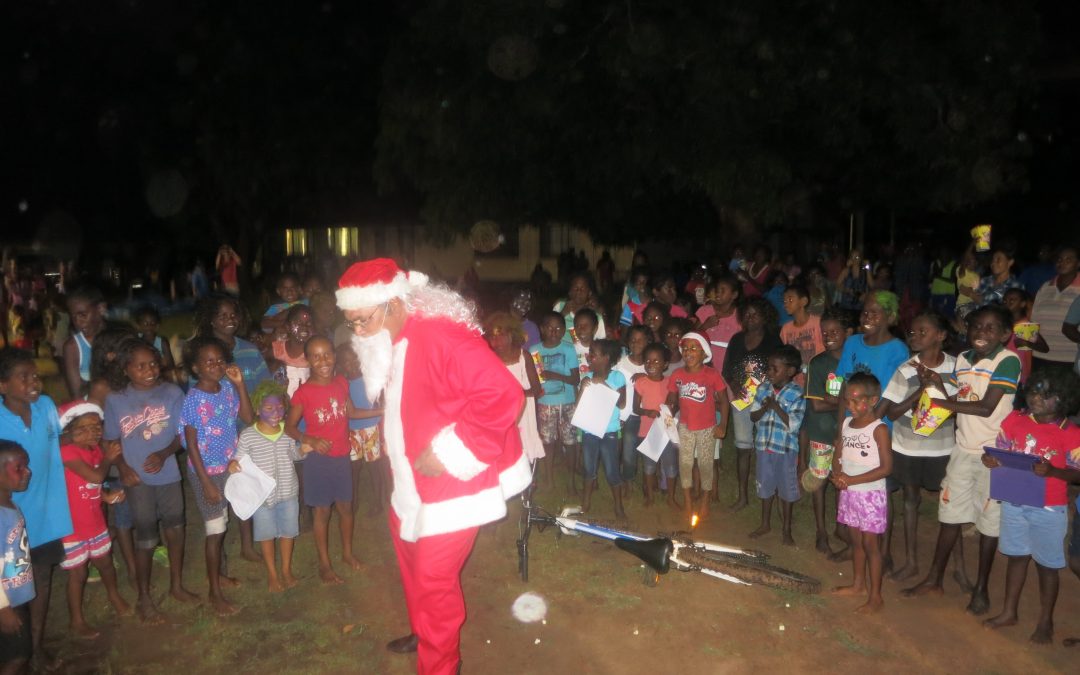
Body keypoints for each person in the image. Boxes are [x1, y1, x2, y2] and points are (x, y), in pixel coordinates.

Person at [337, 258, 530, 674]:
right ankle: (424, 632)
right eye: (350, 322)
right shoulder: (392, 332)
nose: (357, 332)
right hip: (412, 477)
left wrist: (448, 451)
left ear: (392, 304)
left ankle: (441, 664)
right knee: (411, 560)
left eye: (362, 320)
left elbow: (504, 395)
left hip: (453, 481)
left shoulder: (442, 336)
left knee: (433, 580)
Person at [902, 305, 1020, 614]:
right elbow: (961, 397)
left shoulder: (1008, 361)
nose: (982, 332)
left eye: (990, 328)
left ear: (1005, 334)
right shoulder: (964, 360)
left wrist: (942, 404)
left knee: (988, 524)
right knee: (949, 515)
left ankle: (981, 588)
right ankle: (934, 579)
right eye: (976, 326)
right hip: (963, 449)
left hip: (995, 455)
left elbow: (986, 407)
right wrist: (935, 383)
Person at [982, 369, 1080, 644]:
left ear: (1063, 398)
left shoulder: (1071, 434)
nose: (1036, 398)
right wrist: (992, 460)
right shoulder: (1015, 420)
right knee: (1016, 557)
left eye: (1046, 394)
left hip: (1049, 508)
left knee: (1047, 566)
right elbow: (1002, 451)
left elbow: (1077, 474)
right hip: (1014, 500)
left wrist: (1053, 471)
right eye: (1034, 391)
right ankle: (1009, 612)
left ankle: (1046, 621)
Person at [103, 337, 197, 624]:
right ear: (126, 369)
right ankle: (144, 597)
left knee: (176, 528)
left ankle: (176, 585)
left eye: (153, 364)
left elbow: (182, 435)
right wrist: (122, 468)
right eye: (140, 366)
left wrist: (165, 453)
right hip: (137, 479)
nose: (149, 370)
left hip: (168, 473)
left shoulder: (171, 393)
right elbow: (111, 440)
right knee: (146, 536)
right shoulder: (116, 399)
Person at [0, 349, 72, 670]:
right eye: (23, 377)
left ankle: (36, 646)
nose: (34, 382)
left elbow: (56, 441)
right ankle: (16, 649)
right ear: (3, 385)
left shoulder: (45, 406)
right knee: (11, 583)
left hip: (47, 512)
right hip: (10, 518)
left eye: (35, 375)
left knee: (40, 579)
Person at [285, 337, 371, 585]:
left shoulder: (341, 382)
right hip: (318, 462)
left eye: (327, 354)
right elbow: (289, 427)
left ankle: (347, 554)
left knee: (346, 509)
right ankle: (324, 564)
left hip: (342, 458)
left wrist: (382, 410)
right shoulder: (303, 393)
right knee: (322, 512)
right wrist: (309, 439)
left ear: (334, 355)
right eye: (316, 356)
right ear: (308, 360)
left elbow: (351, 412)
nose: (323, 361)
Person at [180, 336, 254, 615]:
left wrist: (240, 384)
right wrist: (206, 483)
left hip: (228, 467)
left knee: (222, 522)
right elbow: (191, 446)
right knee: (215, 531)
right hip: (206, 474)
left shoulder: (227, 389)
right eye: (208, 361)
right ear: (195, 368)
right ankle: (214, 592)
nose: (216, 365)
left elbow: (248, 418)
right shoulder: (193, 399)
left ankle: (219, 576)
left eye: (220, 360)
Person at [881, 311, 956, 582]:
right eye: (912, 332)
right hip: (908, 448)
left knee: (951, 507)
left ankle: (957, 567)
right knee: (910, 500)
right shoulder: (905, 369)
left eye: (923, 331)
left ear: (941, 335)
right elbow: (891, 413)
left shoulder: (956, 367)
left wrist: (937, 385)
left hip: (943, 449)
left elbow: (959, 410)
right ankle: (911, 561)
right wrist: (920, 391)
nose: (915, 336)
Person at [56, 401, 131, 638]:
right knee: (78, 574)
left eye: (97, 427)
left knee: (105, 563)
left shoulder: (94, 450)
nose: (93, 432)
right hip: (72, 526)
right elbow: (96, 476)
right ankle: (76, 620)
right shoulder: (67, 452)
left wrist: (106, 496)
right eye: (84, 428)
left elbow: (93, 486)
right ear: (70, 431)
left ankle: (114, 596)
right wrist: (108, 458)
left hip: (95, 520)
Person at [229, 381, 302, 593]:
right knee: (266, 535)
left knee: (288, 533)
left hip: (288, 493)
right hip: (261, 498)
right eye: (269, 408)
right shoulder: (248, 435)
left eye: (279, 407)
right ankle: (272, 574)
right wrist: (232, 464)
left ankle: (286, 570)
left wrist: (303, 450)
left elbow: (294, 455)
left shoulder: (288, 431)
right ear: (258, 410)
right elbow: (238, 458)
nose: (275, 412)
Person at [831, 372, 893, 614]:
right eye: (848, 400)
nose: (851, 406)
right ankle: (858, 585)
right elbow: (839, 453)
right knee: (856, 542)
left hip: (870, 496)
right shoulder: (847, 424)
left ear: (873, 400)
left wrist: (852, 480)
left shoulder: (879, 429)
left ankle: (876, 597)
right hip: (850, 494)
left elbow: (886, 468)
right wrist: (837, 473)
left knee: (871, 546)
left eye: (857, 401)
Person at [723, 297, 783, 511]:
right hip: (742, 400)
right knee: (742, 447)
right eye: (746, 314)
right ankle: (742, 496)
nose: (750, 318)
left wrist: (767, 388)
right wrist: (735, 386)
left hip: (766, 401)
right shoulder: (737, 340)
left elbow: (780, 370)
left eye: (755, 314)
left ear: (765, 317)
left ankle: (770, 494)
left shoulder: (773, 341)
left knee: (767, 449)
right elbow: (727, 370)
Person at [803, 308, 855, 554]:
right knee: (819, 481)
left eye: (835, 332)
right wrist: (846, 401)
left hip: (850, 433)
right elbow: (816, 405)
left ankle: (840, 526)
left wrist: (833, 399)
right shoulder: (818, 363)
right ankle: (821, 531)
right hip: (822, 432)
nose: (828, 336)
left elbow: (860, 401)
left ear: (849, 333)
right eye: (824, 333)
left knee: (842, 480)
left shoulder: (855, 361)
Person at [667, 332, 729, 521]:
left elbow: (724, 401)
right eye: (685, 348)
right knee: (685, 464)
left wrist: (723, 425)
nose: (688, 352)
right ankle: (687, 501)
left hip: (707, 428)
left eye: (694, 348)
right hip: (685, 426)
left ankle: (704, 500)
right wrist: (667, 411)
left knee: (705, 464)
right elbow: (671, 398)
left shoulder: (711, 375)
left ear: (704, 353)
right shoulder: (677, 375)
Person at [748, 346, 805, 545]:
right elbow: (753, 416)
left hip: (786, 451)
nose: (769, 372)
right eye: (769, 367)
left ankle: (786, 529)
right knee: (765, 486)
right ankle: (765, 524)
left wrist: (775, 406)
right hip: (764, 447)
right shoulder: (763, 389)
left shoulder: (797, 394)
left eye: (775, 368)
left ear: (790, 371)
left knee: (786, 490)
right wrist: (766, 406)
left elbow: (794, 424)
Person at [482, 313, 544, 471]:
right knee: (505, 447)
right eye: (492, 337)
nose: (497, 342)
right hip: (501, 411)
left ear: (511, 335)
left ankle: (529, 481)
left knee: (525, 444)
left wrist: (517, 395)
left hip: (524, 410)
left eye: (501, 336)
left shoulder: (524, 356)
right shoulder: (489, 359)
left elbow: (537, 389)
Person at [530, 312, 580, 493]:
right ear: (542, 329)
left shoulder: (568, 348)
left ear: (564, 330)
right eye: (549, 328)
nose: (554, 331)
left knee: (570, 442)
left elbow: (575, 379)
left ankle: (571, 481)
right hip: (545, 403)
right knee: (548, 442)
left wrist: (555, 375)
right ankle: (549, 479)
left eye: (558, 328)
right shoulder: (534, 351)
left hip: (568, 402)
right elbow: (533, 379)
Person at [337, 343, 387, 517]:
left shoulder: (370, 378)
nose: (352, 364)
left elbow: (381, 399)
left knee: (374, 467)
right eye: (346, 361)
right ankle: (354, 501)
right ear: (340, 364)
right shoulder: (342, 383)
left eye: (355, 359)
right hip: (351, 430)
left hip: (372, 428)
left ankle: (378, 502)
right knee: (353, 468)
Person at [578, 339, 627, 518]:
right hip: (590, 430)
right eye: (590, 352)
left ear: (606, 358)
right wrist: (583, 388)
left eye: (594, 354)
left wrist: (604, 385)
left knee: (612, 469)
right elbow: (578, 406)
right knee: (589, 468)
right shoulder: (587, 377)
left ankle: (618, 505)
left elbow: (622, 404)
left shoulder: (617, 377)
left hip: (610, 431)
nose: (589, 356)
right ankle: (586, 502)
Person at [0, 441, 34, 675]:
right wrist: (3, 609)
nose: (28, 472)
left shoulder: (8, 504)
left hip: (15, 597)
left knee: (19, 654)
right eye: (19, 468)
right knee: (16, 657)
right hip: (6, 603)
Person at [634, 342, 678, 508]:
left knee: (670, 465)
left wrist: (671, 409)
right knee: (649, 466)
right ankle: (650, 497)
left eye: (656, 361)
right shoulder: (641, 383)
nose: (651, 364)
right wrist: (647, 412)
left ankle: (671, 498)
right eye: (647, 361)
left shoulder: (670, 382)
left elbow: (676, 403)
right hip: (647, 431)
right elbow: (635, 408)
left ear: (665, 364)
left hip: (666, 431)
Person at [1030, 246, 1080, 375]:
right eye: (1059, 259)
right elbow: (1033, 319)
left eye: (1068, 259)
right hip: (1040, 355)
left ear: (1078, 264)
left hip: (1070, 358)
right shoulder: (1045, 287)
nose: (1062, 263)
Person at [616, 326, 649, 497]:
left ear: (648, 342)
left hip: (648, 413)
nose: (636, 343)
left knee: (647, 448)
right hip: (627, 415)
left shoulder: (651, 364)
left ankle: (649, 479)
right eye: (632, 340)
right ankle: (627, 480)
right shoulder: (621, 363)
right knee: (628, 447)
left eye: (640, 340)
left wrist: (646, 377)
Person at [62, 286, 107, 400]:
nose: (78, 322)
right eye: (73, 317)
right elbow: (77, 395)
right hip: (91, 408)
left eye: (83, 315)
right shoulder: (73, 347)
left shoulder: (118, 337)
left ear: (101, 309)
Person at [694, 276, 741, 373]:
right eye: (716, 290)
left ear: (734, 295)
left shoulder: (739, 316)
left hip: (727, 367)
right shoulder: (706, 311)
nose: (718, 293)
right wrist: (705, 326)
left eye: (722, 291)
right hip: (703, 365)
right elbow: (691, 336)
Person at [1002, 288, 1048, 387]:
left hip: (1019, 374)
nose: (1007, 303)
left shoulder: (1024, 325)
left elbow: (1044, 348)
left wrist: (1027, 343)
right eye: (1005, 301)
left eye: (1012, 300)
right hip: (1003, 369)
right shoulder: (1002, 323)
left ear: (1022, 304)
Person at [272, 305, 313, 397]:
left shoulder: (314, 352)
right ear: (288, 327)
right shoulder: (277, 348)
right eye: (298, 323)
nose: (304, 327)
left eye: (309, 323)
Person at [554, 273, 606, 343]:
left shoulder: (595, 315)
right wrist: (562, 313)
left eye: (582, 289)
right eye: (575, 288)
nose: (578, 291)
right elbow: (550, 329)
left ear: (589, 293)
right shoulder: (560, 306)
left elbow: (601, 341)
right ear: (570, 292)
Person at [133, 306, 178, 384]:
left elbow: (171, 365)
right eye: (145, 324)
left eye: (152, 324)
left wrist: (160, 368)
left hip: (159, 373)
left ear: (157, 326)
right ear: (138, 326)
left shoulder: (162, 342)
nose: (149, 327)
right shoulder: (136, 339)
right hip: (142, 373)